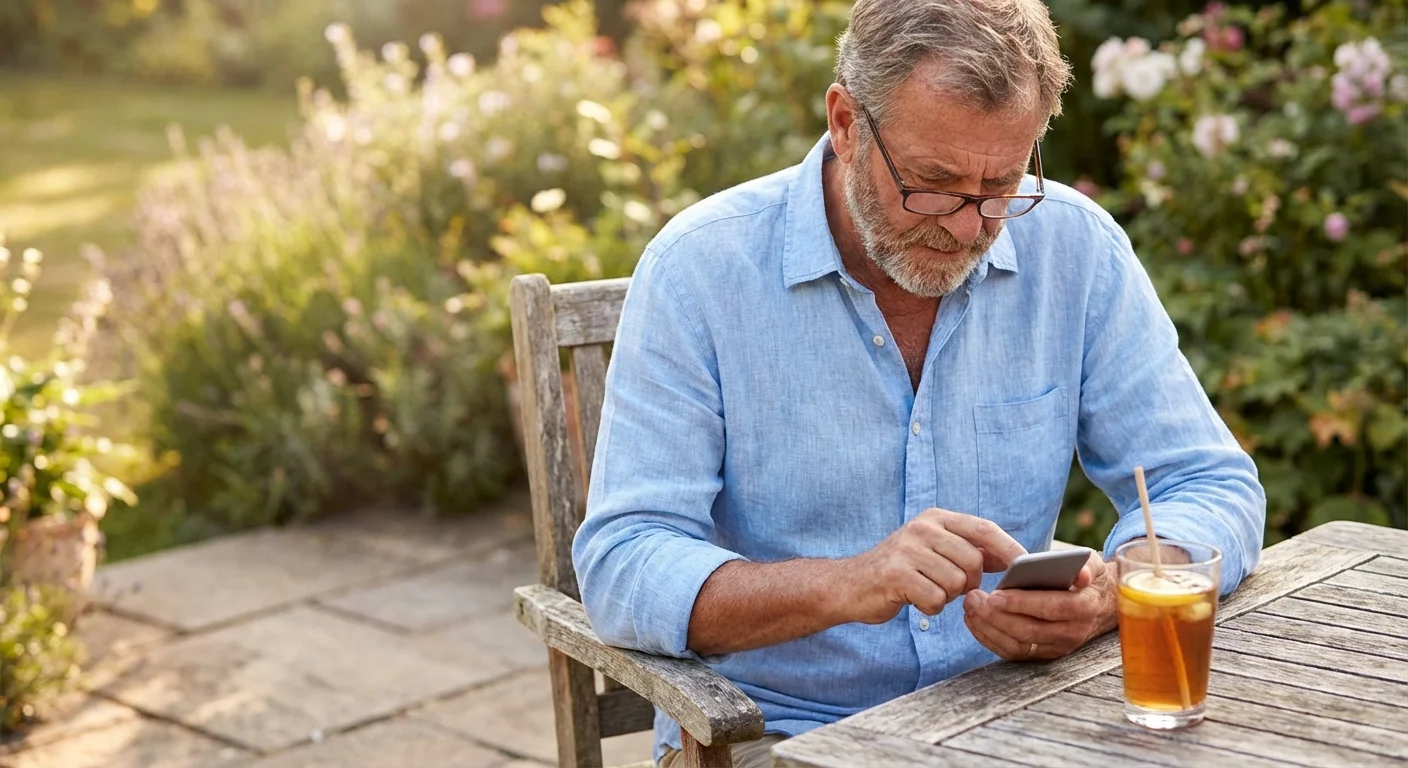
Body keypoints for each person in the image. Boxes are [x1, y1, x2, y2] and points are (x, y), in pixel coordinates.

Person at [572, 1, 1267, 765]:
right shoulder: (699, 271)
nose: (970, 227)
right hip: (781, 730)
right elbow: (625, 562)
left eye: (1001, 183)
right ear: (845, 122)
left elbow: (1207, 481)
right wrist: (847, 584)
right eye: (934, 183)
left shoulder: (1076, 249)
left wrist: (1114, 594)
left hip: (1016, 718)